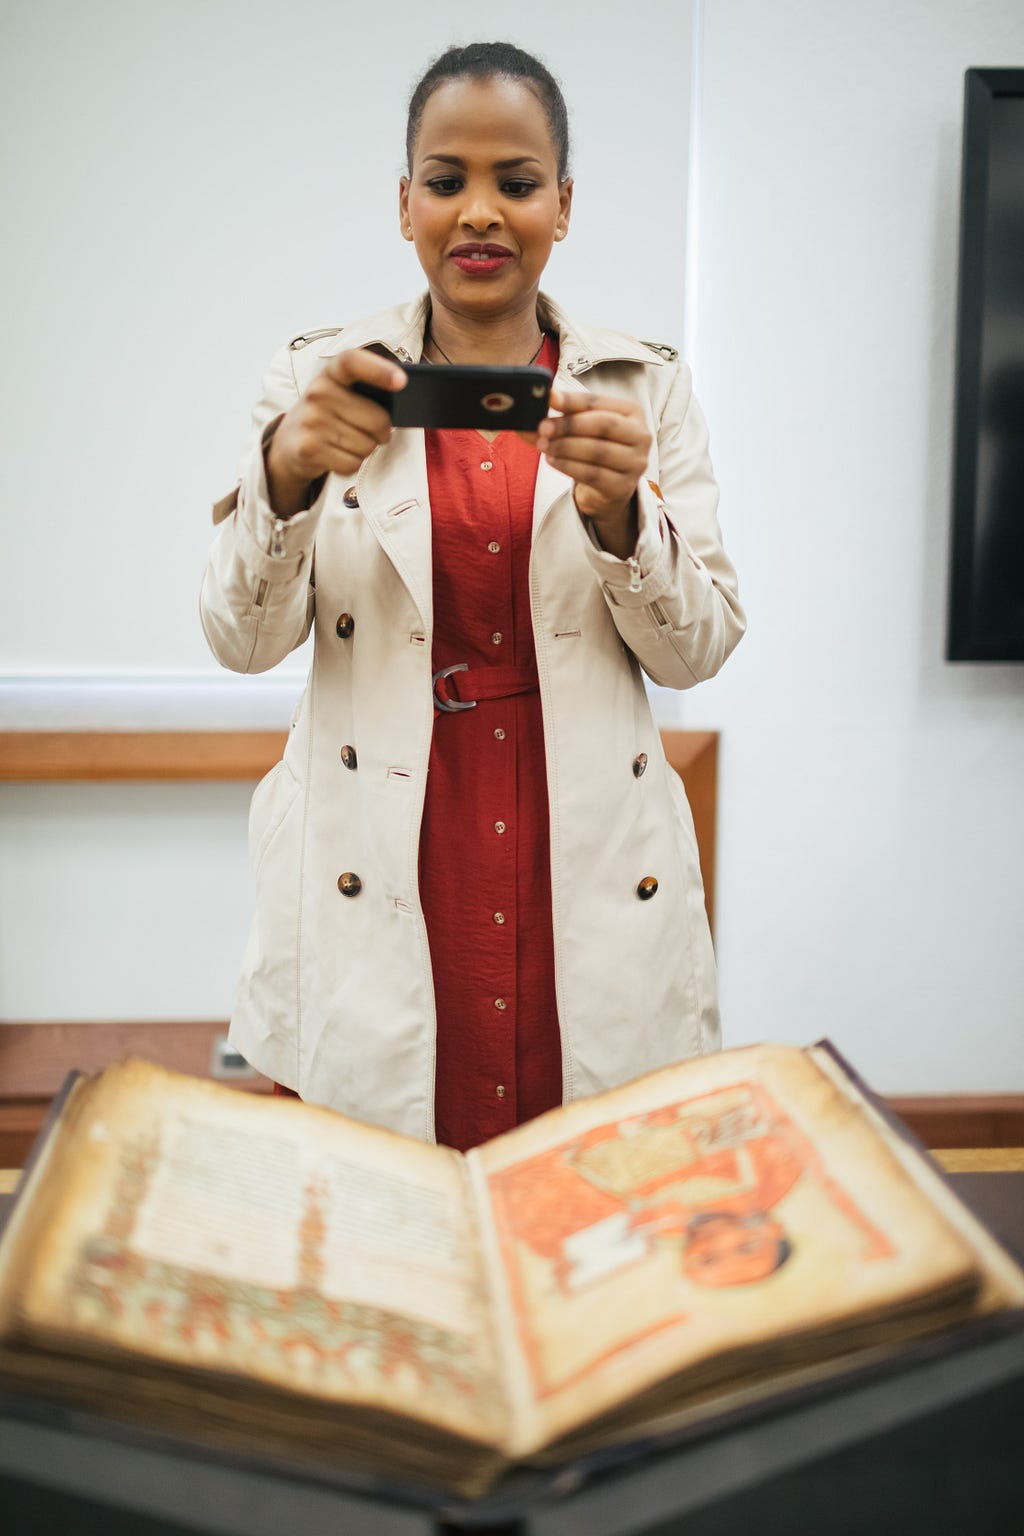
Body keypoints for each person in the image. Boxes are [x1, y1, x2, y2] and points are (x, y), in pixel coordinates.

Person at [200, 41, 746, 1152]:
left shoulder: (647, 387)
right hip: (380, 852)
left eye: (517, 181)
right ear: (404, 205)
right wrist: (288, 471)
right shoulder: (316, 382)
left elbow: (698, 653)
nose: (481, 212)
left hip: (578, 855)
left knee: (581, 1216)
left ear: (564, 203)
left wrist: (622, 516)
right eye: (446, 181)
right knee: (375, 1227)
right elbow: (240, 639)